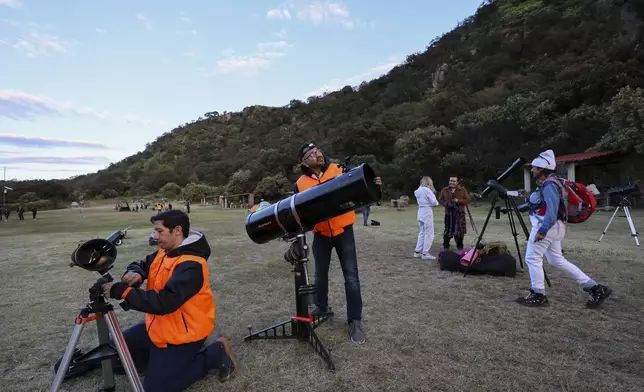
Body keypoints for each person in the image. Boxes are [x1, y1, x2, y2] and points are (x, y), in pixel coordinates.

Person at [100, 210, 239, 390]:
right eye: (155, 231)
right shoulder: (166, 251)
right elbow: (143, 263)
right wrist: (138, 272)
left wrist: (122, 291)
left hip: (184, 334)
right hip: (159, 327)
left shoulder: (192, 265)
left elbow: (165, 302)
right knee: (115, 352)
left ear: (177, 230)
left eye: (159, 231)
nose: (155, 237)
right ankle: (157, 363)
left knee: (155, 388)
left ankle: (215, 353)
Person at [293, 142, 382, 345]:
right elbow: (299, 212)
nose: (318, 155)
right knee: (319, 276)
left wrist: (374, 184)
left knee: (351, 277)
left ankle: (355, 321)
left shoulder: (339, 170)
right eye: (312, 153)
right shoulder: (299, 184)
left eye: (318, 151)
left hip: (344, 232)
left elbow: (360, 189)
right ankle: (322, 307)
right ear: (305, 161)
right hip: (321, 235)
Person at [518, 149, 612, 308]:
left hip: (547, 226)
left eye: (534, 168)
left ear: (542, 169)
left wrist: (542, 231)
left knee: (532, 258)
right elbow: (542, 204)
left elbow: (552, 210)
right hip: (556, 227)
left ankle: (538, 294)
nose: (532, 170)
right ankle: (595, 288)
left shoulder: (549, 185)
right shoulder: (554, 182)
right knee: (557, 260)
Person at [438, 175, 471, 250]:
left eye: (453, 181)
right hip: (448, 214)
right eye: (450, 181)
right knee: (447, 230)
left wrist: (459, 201)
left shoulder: (462, 190)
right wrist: (446, 204)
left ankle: (459, 247)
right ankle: (446, 247)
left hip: (459, 214)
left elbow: (468, 200)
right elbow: (440, 199)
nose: (451, 182)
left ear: (457, 182)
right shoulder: (445, 189)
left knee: (459, 232)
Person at [413, 176, 440, 260]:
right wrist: (434, 204)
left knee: (422, 232)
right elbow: (434, 202)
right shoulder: (427, 190)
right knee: (429, 233)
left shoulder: (418, 191)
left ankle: (417, 251)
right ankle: (425, 253)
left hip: (420, 211)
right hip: (427, 211)